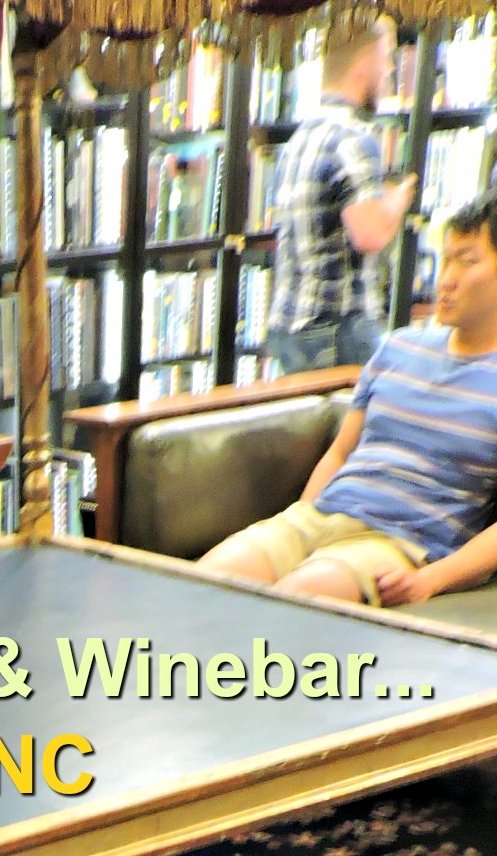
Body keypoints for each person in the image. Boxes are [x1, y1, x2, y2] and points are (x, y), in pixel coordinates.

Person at [198, 190, 497, 609]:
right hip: (325, 515)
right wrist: (302, 521)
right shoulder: (399, 346)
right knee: (199, 585)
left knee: (289, 604)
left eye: (467, 261)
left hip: (401, 542)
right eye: (445, 260)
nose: (446, 279)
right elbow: (340, 453)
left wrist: (430, 580)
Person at [264, 16, 418, 372]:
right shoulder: (353, 138)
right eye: (387, 58)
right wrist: (395, 202)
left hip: (292, 325)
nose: (390, 71)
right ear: (365, 62)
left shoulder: (301, 137)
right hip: (337, 328)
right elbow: (370, 235)